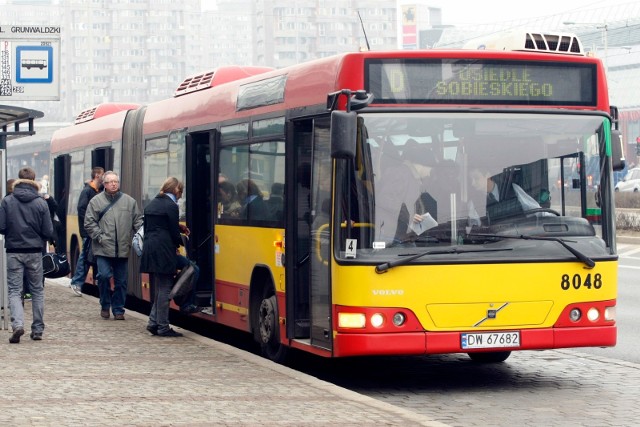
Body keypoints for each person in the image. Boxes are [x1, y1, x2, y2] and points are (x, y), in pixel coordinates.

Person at [0, 167, 55, 343]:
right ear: (34, 180)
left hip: (14, 252)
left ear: (18, 180)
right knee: (37, 290)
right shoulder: (41, 203)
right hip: (34, 252)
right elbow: (48, 230)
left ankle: (17, 325)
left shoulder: (7, 201)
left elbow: (1, 227)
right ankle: (37, 329)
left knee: (15, 291)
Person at [84, 170, 142, 320]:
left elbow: (138, 221)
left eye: (116, 181)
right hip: (103, 247)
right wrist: (100, 237)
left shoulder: (129, 201)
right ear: (104, 184)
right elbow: (89, 223)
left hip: (123, 248)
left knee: (121, 281)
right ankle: (105, 304)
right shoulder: (95, 201)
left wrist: (142, 236)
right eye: (110, 181)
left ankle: (118, 309)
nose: (114, 184)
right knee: (103, 276)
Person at [140, 177, 185, 337]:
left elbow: (152, 226)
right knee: (165, 288)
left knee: (160, 288)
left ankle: (153, 323)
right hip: (164, 250)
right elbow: (173, 232)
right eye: (180, 191)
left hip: (150, 247)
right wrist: (182, 241)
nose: (180, 194)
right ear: (176, 190)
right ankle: (163, 326)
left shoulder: (152, 203)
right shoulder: (171, 205)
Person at [69, 166, 104, 296]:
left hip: (93, 230)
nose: (104, 177)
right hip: (89, 231)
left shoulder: (97, 190)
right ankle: (76, 282)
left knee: (89, 257)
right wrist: (91, 225)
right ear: (97, 176)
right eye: (102, 174)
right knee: (85, 257)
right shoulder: (87, 191)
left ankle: (82, 282)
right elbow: (82, 209)